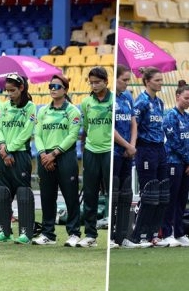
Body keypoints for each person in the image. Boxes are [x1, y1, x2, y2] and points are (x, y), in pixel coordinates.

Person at [31, 75, 82, 247]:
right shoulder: (43, 110)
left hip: (65, 156)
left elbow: (72, 135)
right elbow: (37, 134)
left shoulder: (73, 111)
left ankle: (74, 233)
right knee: (47, 196)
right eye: (51, 86)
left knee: (70, 196)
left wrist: (53, 154)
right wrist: (44, 154)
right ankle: (48, 234)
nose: (53, 89)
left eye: (57, 86)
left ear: (65, 90)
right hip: (45, 156)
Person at [0, 73, 36, 243]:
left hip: (20, 155)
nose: (9, 94)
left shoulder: (30, 107)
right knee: (2, 192)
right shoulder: (4, 107)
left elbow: (26, 132)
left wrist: (9, 149)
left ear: (21, 88)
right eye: (7, 90)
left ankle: (25, 233)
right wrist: (3, 148)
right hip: (4, 155)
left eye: (13, 90)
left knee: (23, 192)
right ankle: (4, 231)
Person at [128, 67, 166, 245]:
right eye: (157, 80)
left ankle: (153, 234)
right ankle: (139, 234)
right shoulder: (141, 102)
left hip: (159, 149)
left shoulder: (159, 102)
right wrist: (134, 147)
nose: (160, 83)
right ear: (147, 81)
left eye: (161, 80)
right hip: (145, 149)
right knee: (148, 192)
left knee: (160, 192)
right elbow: (134, 125)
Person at [79, 67, 113, 247]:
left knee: (112, 193)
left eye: (97, 82)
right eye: (91, 82)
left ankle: (115, 234)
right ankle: (90, 235)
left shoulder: (115, 101)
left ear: (106, 82)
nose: (94, 85)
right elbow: (86, 127)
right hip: (91, 152)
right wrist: (85, 148)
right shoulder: (86, 103)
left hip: (109, 151)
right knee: (90, 193)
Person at [160, 81, 189, 247]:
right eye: (186, 98)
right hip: (173, 162)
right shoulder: (170, 116)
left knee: (182, 199)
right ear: (177, 97)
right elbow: (174, 142)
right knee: (171, 199)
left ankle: (179, 232)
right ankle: (167, 233)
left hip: (186, 164)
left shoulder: (188, 118)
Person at [112, 64, 138, 248]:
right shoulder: (108, 99)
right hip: (114, 151)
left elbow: (133, 123)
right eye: (124, 80)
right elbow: (110, 128)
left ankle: (123, 235)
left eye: (129, 80)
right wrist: (127, 145)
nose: (127, 84)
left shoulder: (128, 97)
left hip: (128, 152)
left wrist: (132, 146)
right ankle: (111, 237)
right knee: (113, 194)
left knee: (126, 194)